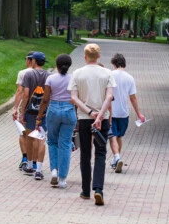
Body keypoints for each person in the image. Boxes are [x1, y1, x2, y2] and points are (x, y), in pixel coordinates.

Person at [68, 43, 116, 206]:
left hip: (84, 118)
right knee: (101, 153)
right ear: (99, 56)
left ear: (85, 57)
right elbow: (109, 97)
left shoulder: (78, 73)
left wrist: (89, 113)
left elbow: (74, 98)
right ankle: (98, 189)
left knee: (85, 154)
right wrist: (100, 115)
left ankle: (85, 190)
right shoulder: (107, 73)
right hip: (102, 118)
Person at [36, 54, 77, 188]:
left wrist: (39, 116)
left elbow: (45, 99)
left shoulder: (51, 78)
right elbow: (76, 99)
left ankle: (54, 170)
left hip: (53, 109)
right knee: (65, 143)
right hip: (69, 110)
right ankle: (63, 178)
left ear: (57, 65)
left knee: (52, 141)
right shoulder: (73, 79)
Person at [109, 53, 145, 173]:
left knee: (112, 135)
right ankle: (116, 158)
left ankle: (117, 157)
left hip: (111, 112)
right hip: (124, 113)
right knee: (119, 135)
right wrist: (139, 113)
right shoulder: (130, 78)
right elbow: (133, 98)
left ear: (113, 63)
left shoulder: (110, 75)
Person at [20, 52, 50, 180]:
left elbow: (26, 94)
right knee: (41, 139)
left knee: (30, 137)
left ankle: (30, 165)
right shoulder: (49, 75)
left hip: (30, 111)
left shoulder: (29, 74)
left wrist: (22, 111)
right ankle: (39, 169)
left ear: (33, 61)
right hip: (44, 111)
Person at [12, 51, 38, 171]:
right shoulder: (43, 73)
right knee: (36, 135)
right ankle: (35, 162)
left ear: (29, 60)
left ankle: (25, 158)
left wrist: (16, 108)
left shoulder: (23, 73)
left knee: (23, 133)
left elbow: (20, 92)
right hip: (39, 107)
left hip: (27, 107)